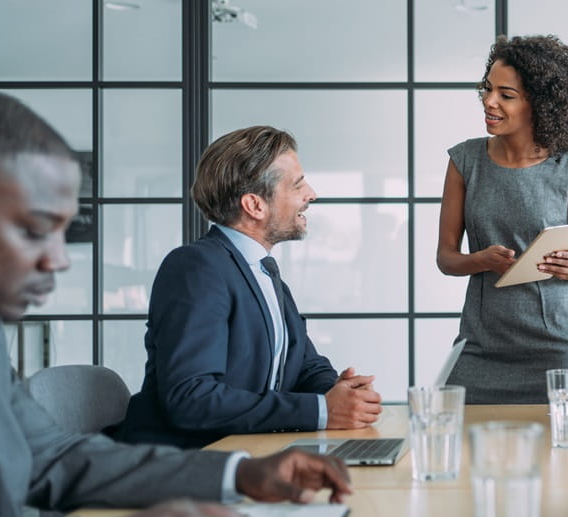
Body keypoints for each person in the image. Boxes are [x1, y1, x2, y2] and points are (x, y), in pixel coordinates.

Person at [0, 90, 353, 517]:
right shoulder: (200, 266)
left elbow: (50, 456)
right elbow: (191, 396)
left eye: (63, 233)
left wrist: (238, 475)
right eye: (34, 230)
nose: (59, 262)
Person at [120, 126, 382, 448]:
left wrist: (339, 394)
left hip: (252, 452)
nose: (311, 194)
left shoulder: (264, 270)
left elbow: (302, 363)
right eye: (298, 185)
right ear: (255, 205)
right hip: (188, 461)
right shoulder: (196, 268)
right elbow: (192, 398)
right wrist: (321, 411)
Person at [437, 34, 568, 404]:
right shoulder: (465, 161)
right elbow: (446, 258)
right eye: (488, 88)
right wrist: (479, 260)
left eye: (506, 95)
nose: (489, 101)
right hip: (480, 345)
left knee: (565, 454)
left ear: (540, 105)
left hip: (555, 346)